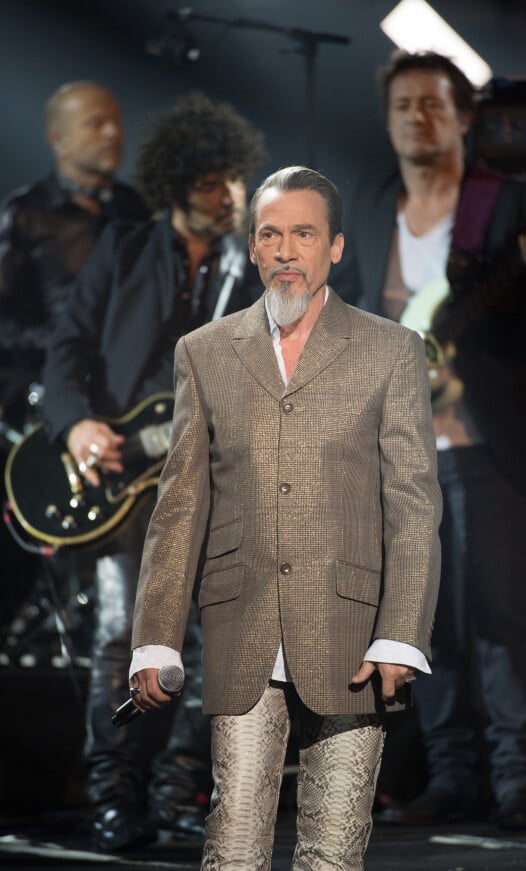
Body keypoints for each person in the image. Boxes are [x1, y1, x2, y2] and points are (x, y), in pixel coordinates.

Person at [128, 165, 442, 869]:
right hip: (242, 624)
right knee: (234, 843)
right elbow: (179, 504)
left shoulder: (391, 349)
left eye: (304, 233)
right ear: (253, 244)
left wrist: (401, 632)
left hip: (353, 630)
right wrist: (156, 638)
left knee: (331, 848)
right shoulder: (204, 353)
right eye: (271, 234)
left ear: (333, 247)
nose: (285, 250)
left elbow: (414, 502)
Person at [334, 50, 526, 830]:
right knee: (422, 622)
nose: (418, 117)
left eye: (434, 104)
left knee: (500, 615)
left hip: (481, 446)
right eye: (404, 105)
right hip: (400, 455)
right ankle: (453, 775)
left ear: (463, 117)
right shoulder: (371, 206)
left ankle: (518, 780)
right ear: (388, 119)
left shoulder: (510, 205)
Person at [41, 91, 267, 852]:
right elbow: (67, 347)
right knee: (123, 636)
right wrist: (76, 424)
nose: (230, 196)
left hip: (217, 479)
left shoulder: (257, 271)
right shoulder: (125, 248)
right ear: (176, 185)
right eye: (212, 182)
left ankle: (179, 794)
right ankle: (114, 792)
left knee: (210, 643)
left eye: (236, 180)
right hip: (125, 480)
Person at [0, 81, 148, 668]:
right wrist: (68, 343)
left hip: (127, 400)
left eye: (115, 120)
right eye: (94, 123)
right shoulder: (26, 212)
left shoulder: (138, 212)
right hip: (48, 398)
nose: (112, 133)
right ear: (57, 137)